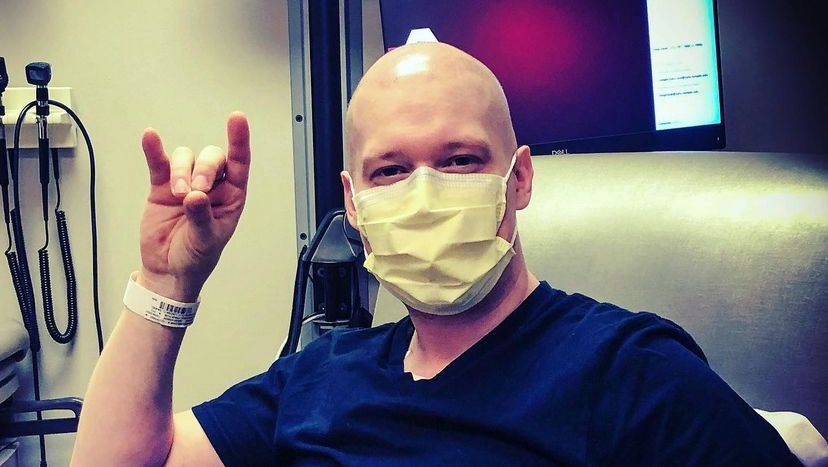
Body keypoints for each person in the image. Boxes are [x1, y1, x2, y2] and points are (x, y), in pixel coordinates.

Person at [71, 42, 802, 466]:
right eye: (390, 170)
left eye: (458, 160)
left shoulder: (632, 373)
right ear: (354, 204)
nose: (423, 194)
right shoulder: (318, 378)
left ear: (519, 179)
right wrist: (167, 281)